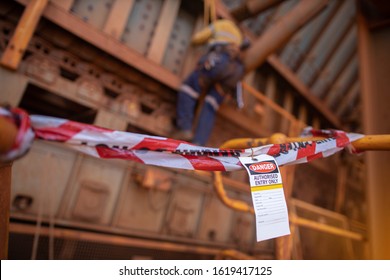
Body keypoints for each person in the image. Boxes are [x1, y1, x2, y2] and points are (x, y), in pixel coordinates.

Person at [173, 19, 248, 146]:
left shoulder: (220, 24)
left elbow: (197, 38)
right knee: (211, 105)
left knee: (189, 88)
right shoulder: (239, 36)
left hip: (219, 61)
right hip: (235, 70)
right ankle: (199, 142)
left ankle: (184, 128)